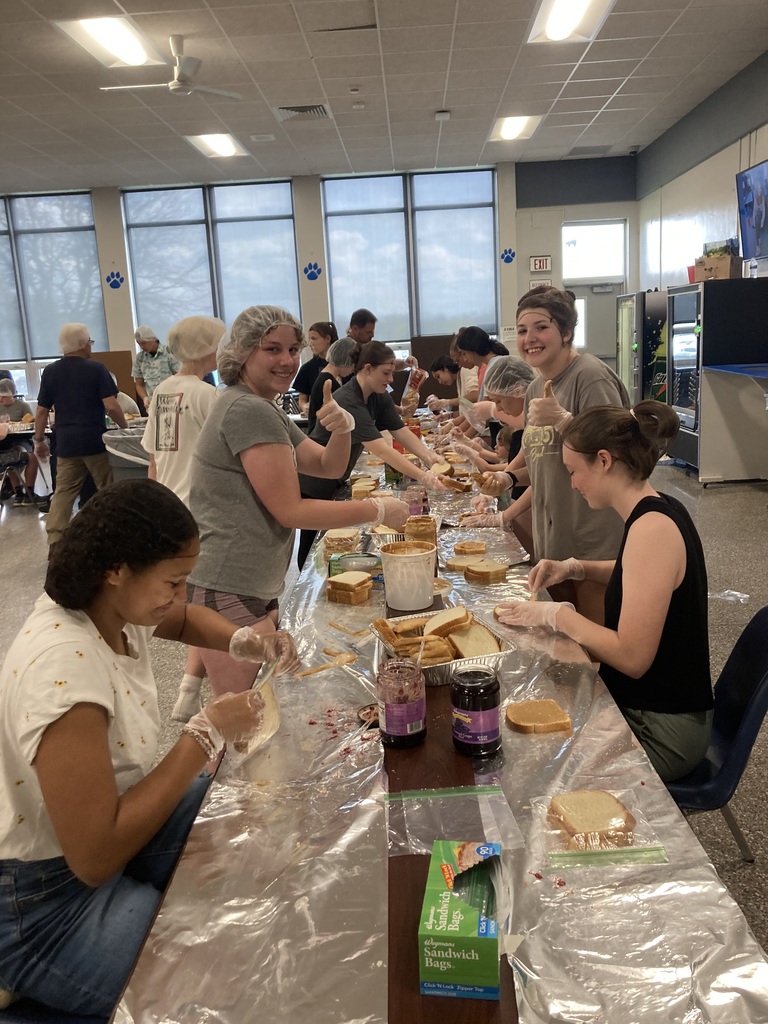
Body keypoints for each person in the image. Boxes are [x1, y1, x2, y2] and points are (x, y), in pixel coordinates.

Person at [0, 479, 300, 1017]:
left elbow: (183, 620)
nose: (180, 596)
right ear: (117, 569)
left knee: (246, 828)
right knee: (216, 977)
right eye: (174, 581)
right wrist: (204, 731)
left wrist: (244, 639)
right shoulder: (64, 669)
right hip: (40, 899)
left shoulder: (115, 608)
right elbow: (92, 858)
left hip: (100, 834)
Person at [187, 306, 408, 697]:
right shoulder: (247, 409)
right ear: (241, 353)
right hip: (229, 583)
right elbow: (291, 510)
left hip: (248, 580)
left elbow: (327, 466)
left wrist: (341, 429)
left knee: (248, 708)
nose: (288, 361)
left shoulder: (263, 405)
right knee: (242, 713)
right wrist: (377, 510)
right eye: (272, 349)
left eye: (294, 349)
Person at [494, 401, 714, 783]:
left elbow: (632, 658)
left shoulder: (652, 530)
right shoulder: (659, 507)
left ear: (603, 460)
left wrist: (557, 616)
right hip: (654, 705)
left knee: (533, 766)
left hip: (662, 729)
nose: (573, 483)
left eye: (573, 472)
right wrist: (574, 567)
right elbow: (638, 572)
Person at [462, 288, 630, 623]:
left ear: (566, 332)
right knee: (565, 640)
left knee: (592, 648)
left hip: (592, 539)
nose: (530, 338)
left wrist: (566, 420)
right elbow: (546, 462)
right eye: (522, 330)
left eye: (541, 327)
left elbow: (616, 452)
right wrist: (508, 477)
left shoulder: (589, 376)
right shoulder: (537, 387)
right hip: (554, 538)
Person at [297, 340, 448, 568]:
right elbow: (382, 449)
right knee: (314, 543)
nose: (390, 379)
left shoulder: (378, 396)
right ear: (367, 369)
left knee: (327, 540)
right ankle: (307, 586)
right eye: (386, 373)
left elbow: (400, 431)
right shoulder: (348, 400)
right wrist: (424, 476)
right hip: (315, 479)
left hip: (336, 475)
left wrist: (428, 455)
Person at [142, 316, 225, 723]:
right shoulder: (206, 395)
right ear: (211, 349)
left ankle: (188, 690)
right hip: (204, 511)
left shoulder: (162, 391)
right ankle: (194, 692)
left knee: (195, 600)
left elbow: (154, 459)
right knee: (208, 605)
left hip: (170, 506)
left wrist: (153, 506)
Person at [34, 323, 128, 546]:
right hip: (94, 442)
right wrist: (125, 428)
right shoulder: (96, 369)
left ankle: (55, 541)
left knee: (63, 493)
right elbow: (112, 406)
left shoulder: (50, 372)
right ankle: (113, 537)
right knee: (108, 489)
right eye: (90, 342)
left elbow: (41, 411)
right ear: (84, 343)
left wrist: (39, 440)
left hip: (66, 444)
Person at [305, 335, 358, 436]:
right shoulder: (328, 382)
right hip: (321, 439)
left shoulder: (325, 377)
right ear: (346, 360)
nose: (352, 370)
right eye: (353, 364)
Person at [0, 379, 41, 506]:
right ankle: (18, 492)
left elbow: (31, 423)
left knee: (23, 454)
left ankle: (29, 491)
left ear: (10, 394)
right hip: (3, 443)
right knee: (13, 457)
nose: (1, 399)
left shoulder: (22, 406)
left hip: (20, 439)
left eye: (3, 396)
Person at [293, 321, 338, 414]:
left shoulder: (344, 366)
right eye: (309, 339)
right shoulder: (307, 368)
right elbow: (302, 400)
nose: (310, 343)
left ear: (328, 338)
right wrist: (305, 407)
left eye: (313, 338)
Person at [131, 325, 181, 408]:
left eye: (144, 343)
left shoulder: (169, 352)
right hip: (152, 403)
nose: (142, 347)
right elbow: (139, 384)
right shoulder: (140, 358)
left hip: (172, 402)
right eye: (139, 344)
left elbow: (180, 376)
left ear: (153, 340)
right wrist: (145, 398)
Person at [454, 325, 509, 393]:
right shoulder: (490, 366)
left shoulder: (495, 368)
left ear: (472, 348)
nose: (465, 359)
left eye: (464, 353)